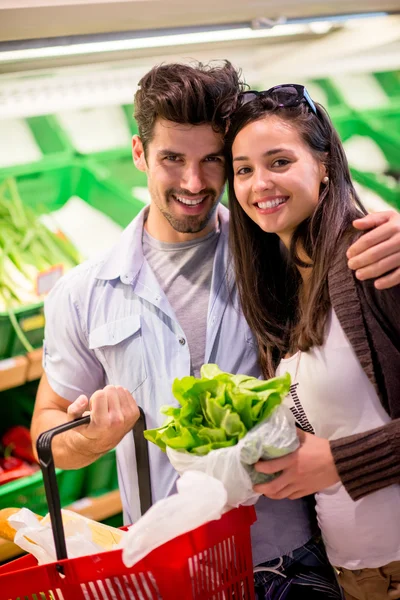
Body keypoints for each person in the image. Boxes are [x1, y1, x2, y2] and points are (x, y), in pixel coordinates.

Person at [30, 63, 400, 598]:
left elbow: (339, 229)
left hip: (293, 559)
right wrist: (90, 438)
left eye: (213, 162)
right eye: (172, 160)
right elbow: (47, 428)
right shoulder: (85, 292)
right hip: (170, 570)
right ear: (139, 153)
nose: (194, 183)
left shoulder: (279, 249)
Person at [225, 83, 400, 599]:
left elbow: (339, 452)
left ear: (324, 164)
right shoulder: (284, 283)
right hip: (355, 575)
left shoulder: (373, 258)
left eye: (279, 161)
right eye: (243, 169)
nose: (260, 183)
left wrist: (340, 462)